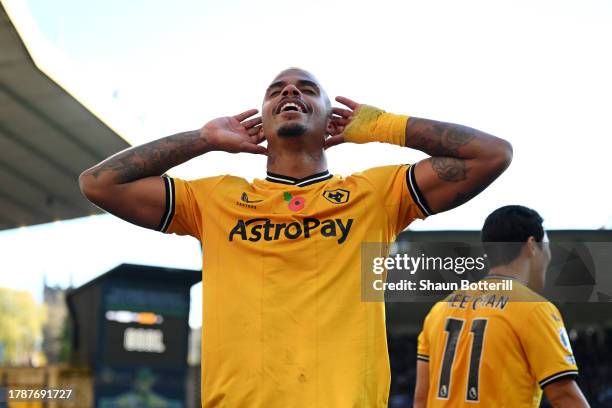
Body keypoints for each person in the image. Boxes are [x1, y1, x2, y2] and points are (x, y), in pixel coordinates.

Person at [79, 68, 512, 407]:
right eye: (276, 90)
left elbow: (492, 154)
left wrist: (387, 126)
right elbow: (99, 183)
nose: (289, 93)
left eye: (307, 89)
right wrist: (202, 139)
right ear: (260, 123)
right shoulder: (213, 199)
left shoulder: (376, 195)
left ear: (332, 120)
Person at [414, 205, 590, 408]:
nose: (549, 256)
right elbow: (564, 396)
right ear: (532, 245)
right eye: (547, 246)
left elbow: (421, 399)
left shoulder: (439, 310)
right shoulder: (534, 308)